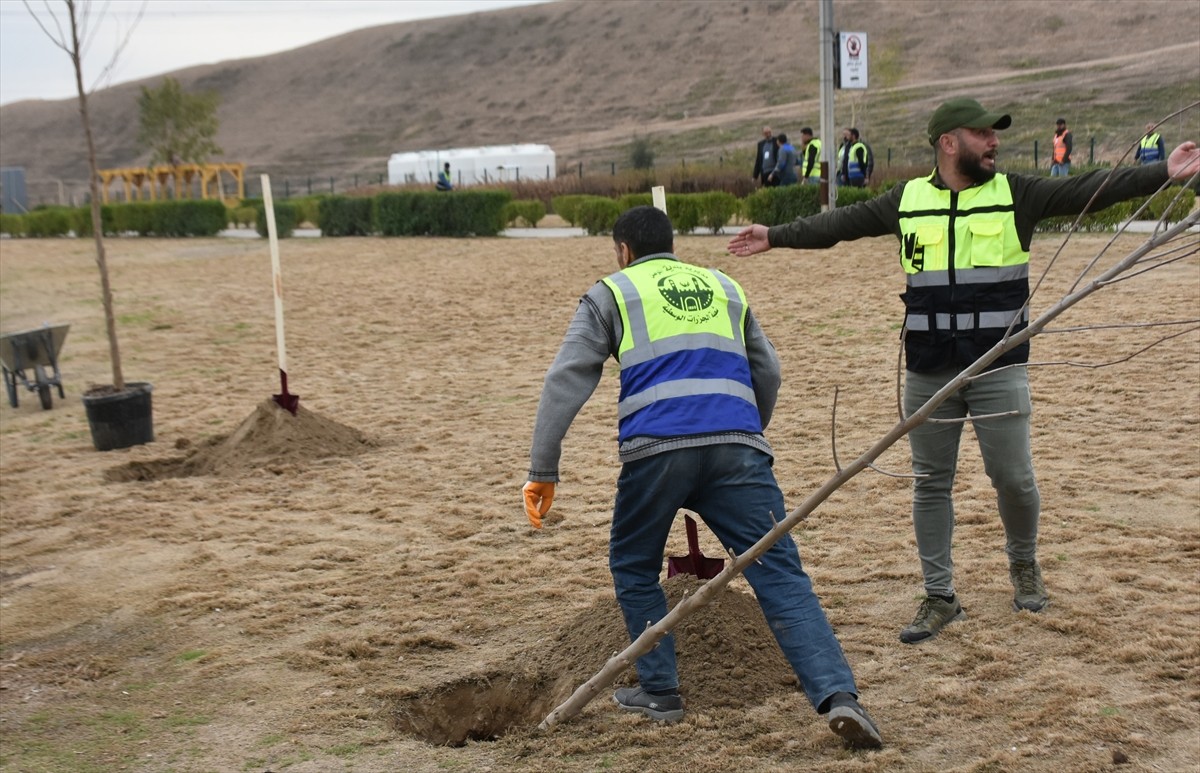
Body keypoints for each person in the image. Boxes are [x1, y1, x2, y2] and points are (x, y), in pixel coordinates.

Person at [727, 97, 1200, 646]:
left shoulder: (1017, 194)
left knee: (1014, 479)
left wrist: (1162, 172)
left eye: (993, 134)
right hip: (928, 369)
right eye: (982, 133)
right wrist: (776, 235)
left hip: (999, 365)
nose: (994, 141)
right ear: (948, 143)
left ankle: (1023, 564)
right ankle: (939, 594)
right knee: (931, 483)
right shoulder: (907, 199)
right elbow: (839, 224)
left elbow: (1088, 189)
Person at [522, 205, 883, 749]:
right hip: (739, 447)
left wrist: (543, 468)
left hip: (656, 452)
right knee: (782, 575)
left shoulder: (613, 292)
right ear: (673, 244)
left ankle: (660, 692)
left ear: (623, 251)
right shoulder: (725, 288)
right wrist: (745, 431)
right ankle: (839, 697)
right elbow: (770, 370)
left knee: (633, 563)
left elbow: (566, 378)